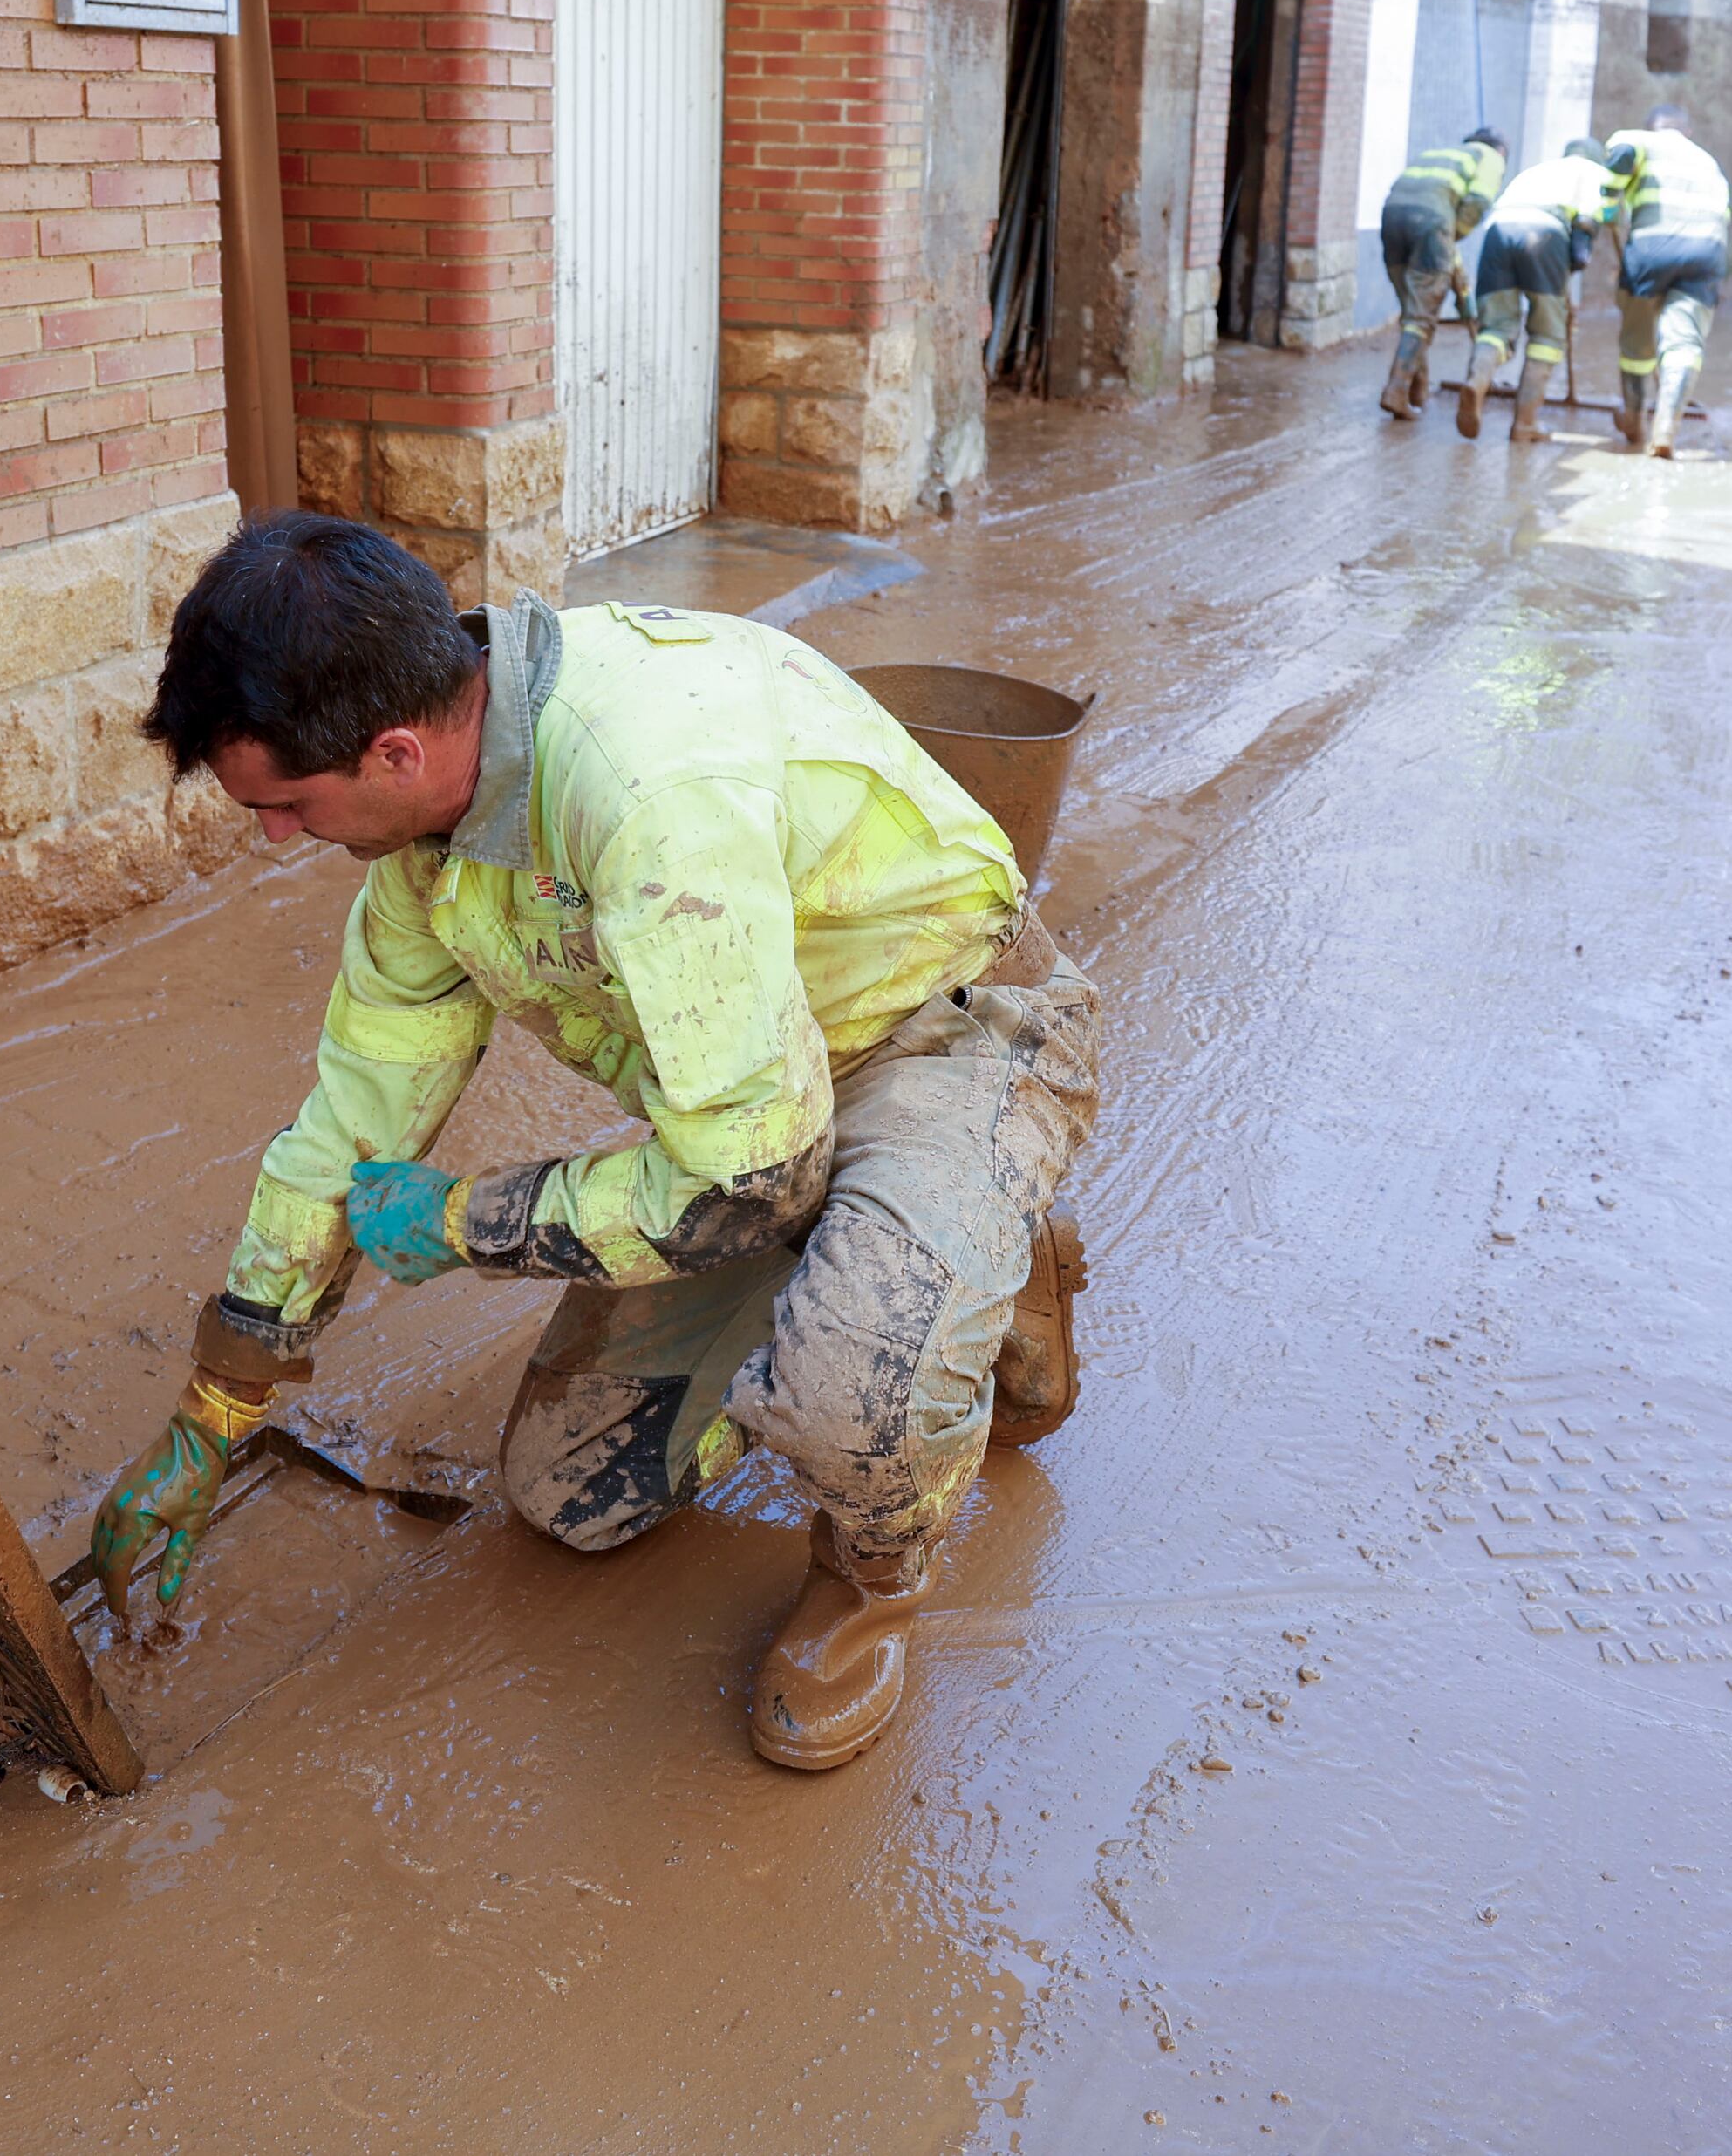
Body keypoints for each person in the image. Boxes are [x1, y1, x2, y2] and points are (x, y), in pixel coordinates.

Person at [92, 516, 1105, 1772]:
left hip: (943, 1037)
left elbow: (752, 1183)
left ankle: (873, 1571)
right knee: (569, 1489)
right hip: (747, 1111)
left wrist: (466, 1223)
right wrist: (214, 1408)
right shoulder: (432, 852)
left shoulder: (646, 800)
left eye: (288, 805)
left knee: (851, 1392)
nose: (276, 837)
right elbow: (351, 1119)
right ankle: (907, 1252)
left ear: (395, 750)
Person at [1599, 108, 1731, 458]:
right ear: (1688, 132)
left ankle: (1633, 421)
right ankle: (1665, 429)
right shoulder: (1709, 163)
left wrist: (1609, 205)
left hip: (1652, 247)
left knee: (1636, 341)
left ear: (1652, 128)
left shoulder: (1641, 140)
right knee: (1684, 342)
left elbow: (1621, 152)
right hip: (1708, 252)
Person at [1453, 145, 1610, 441]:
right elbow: (1584, 234)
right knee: (1548, 336)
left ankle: (1477, 381)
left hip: (1498, 232)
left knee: (1496, 327)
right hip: (1544, 234)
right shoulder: (1595, 173)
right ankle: (1525, 423)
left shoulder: (1538, 170)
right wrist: (1566, 277)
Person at [1375, 127, 1510, 420]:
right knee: (1421, 317)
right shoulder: (1490, 157)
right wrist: (1452, 236)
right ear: (1500, 151)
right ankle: (1396, 390)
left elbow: (1447, 250)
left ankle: (1417, 391)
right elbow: (1478, 202)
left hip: (1391, 218)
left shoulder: (1440, 156)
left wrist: (1464, 299)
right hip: (1431, 222)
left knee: (1413, 311)